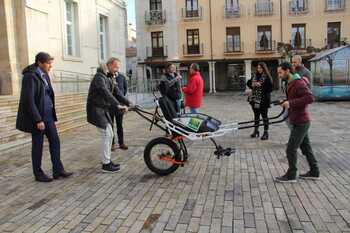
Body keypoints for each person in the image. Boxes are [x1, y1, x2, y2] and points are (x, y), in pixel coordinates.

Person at [16, 52, 73, 182]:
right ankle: (38, 173)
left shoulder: (45, 75)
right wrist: (38, 119)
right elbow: (28, 101)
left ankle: (58, 170)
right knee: (38, 146)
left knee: (55, 141)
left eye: (50, 63)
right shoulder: (30, 77)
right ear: (40, 63)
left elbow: (47, 94)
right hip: (38, 118)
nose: (50, 66)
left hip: (48, 116)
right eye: (48, 63)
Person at [275, 62, 319, 183]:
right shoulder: (290, 82)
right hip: (298, 120)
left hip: (301, 121)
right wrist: (285, 101)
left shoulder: (298, 83)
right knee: (306, 148)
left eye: (280, 72)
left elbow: (310, 98)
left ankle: (291, 175)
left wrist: (290, 103)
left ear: (287, 71)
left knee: (290, 149)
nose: (279, 75)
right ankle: (315, 172)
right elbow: (295, 98)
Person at [87, 61, 130, 173]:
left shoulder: (109, 78)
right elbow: (105, 92)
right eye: (116, 67)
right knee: (107, 134)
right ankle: (106, 164)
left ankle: (107, 161)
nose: (117, 69)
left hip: (102, 110)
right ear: (109, 65)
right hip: (96, 110)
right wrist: (117, 105)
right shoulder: (99, 77)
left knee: (109, 134)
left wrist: (130, 103)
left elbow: (118, 93)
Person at [246, 62, 273, 140]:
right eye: (258, 68)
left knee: (264, 116)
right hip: (255, 99)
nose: (259, 69)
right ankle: (256, 130)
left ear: (264, 68)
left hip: (263, 100)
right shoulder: (255, 76)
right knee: (256, 115)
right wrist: (253, 85)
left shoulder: (267, 77)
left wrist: (261, 86)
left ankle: (265, 132)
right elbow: (248, 83)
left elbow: (270, 88)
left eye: (260, 68)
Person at [108, 58, 129, 151]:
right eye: (116, 66)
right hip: (110, 106)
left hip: (120, 105)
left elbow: (125, 89)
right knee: (110, 126)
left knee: (120, 125)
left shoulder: (122, 77)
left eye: (118, 66)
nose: (117, 68)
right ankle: (111, 144)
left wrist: (122, 100)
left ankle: (121, 143)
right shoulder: (107, 77)